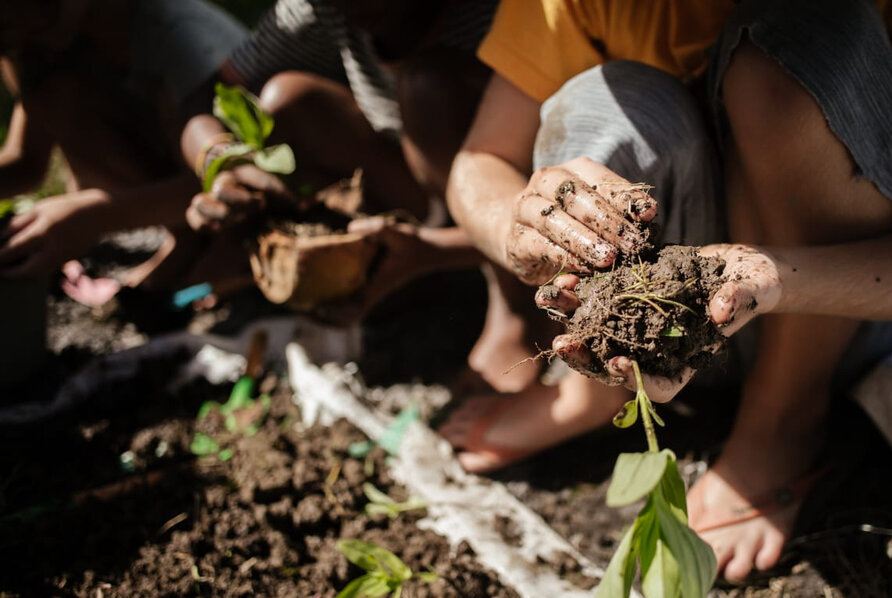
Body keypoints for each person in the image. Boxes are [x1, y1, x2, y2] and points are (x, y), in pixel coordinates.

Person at [442, 0, 892, 581]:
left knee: (797, 41)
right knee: (601, 101)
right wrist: (516, 222)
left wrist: (777, 278)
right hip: (683, 326)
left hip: (846, 304)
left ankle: (782, 417)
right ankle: (603, 383)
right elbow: (481, 160)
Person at [179, 0, 548, 382]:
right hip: (421, 195)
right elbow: (208, 96)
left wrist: (433, 251)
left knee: (428, 85)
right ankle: (393, 273)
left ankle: (519, 308)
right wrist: (223, 166)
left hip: (516, 205)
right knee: (287, 101)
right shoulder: (324, 10)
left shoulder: (502, 14)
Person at [0, 0, 247, 302]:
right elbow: (26, 162)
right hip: (182, 175)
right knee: (53, 91)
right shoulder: (36, 44)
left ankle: (227, 247)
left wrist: (92, 215)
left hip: (242, 176)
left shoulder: (173, 34)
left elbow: (231, 177)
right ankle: (188, 240)